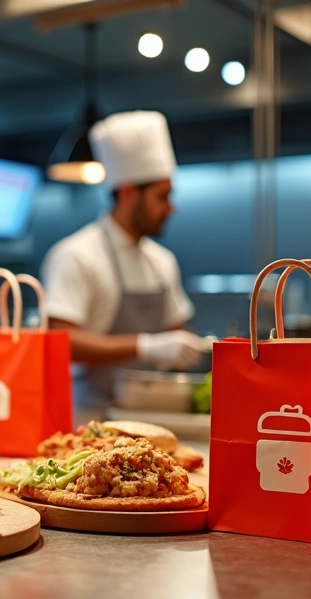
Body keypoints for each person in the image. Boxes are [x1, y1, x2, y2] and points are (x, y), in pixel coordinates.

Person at [40, 110, 207, 421]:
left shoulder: (162, 261)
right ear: (129, 193)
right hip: (90, 420)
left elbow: (177, 328)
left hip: (154, 417)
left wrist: (194, 347)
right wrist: (145, 346)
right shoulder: (76, 254)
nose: (171, 208)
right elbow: (60, 341)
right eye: (162, 197)